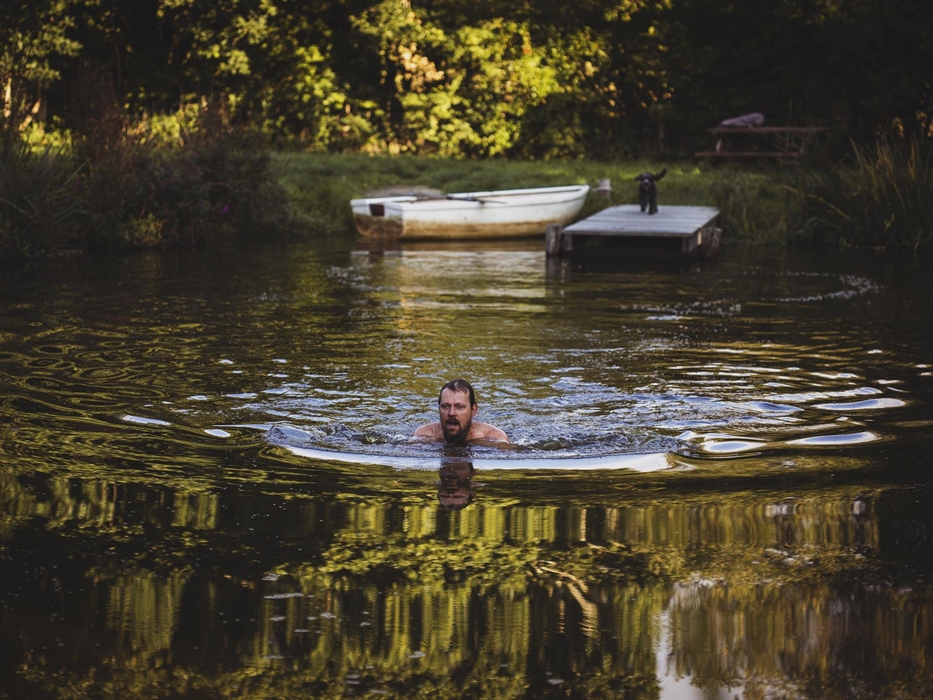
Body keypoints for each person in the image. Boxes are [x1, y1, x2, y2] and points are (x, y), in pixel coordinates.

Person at [414, 379, 509, 443]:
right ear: (438, 408)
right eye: (445, 406)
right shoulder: (423, 435)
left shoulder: (495, 438)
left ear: (473, 410)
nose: (451, 413)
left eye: (459, 407)